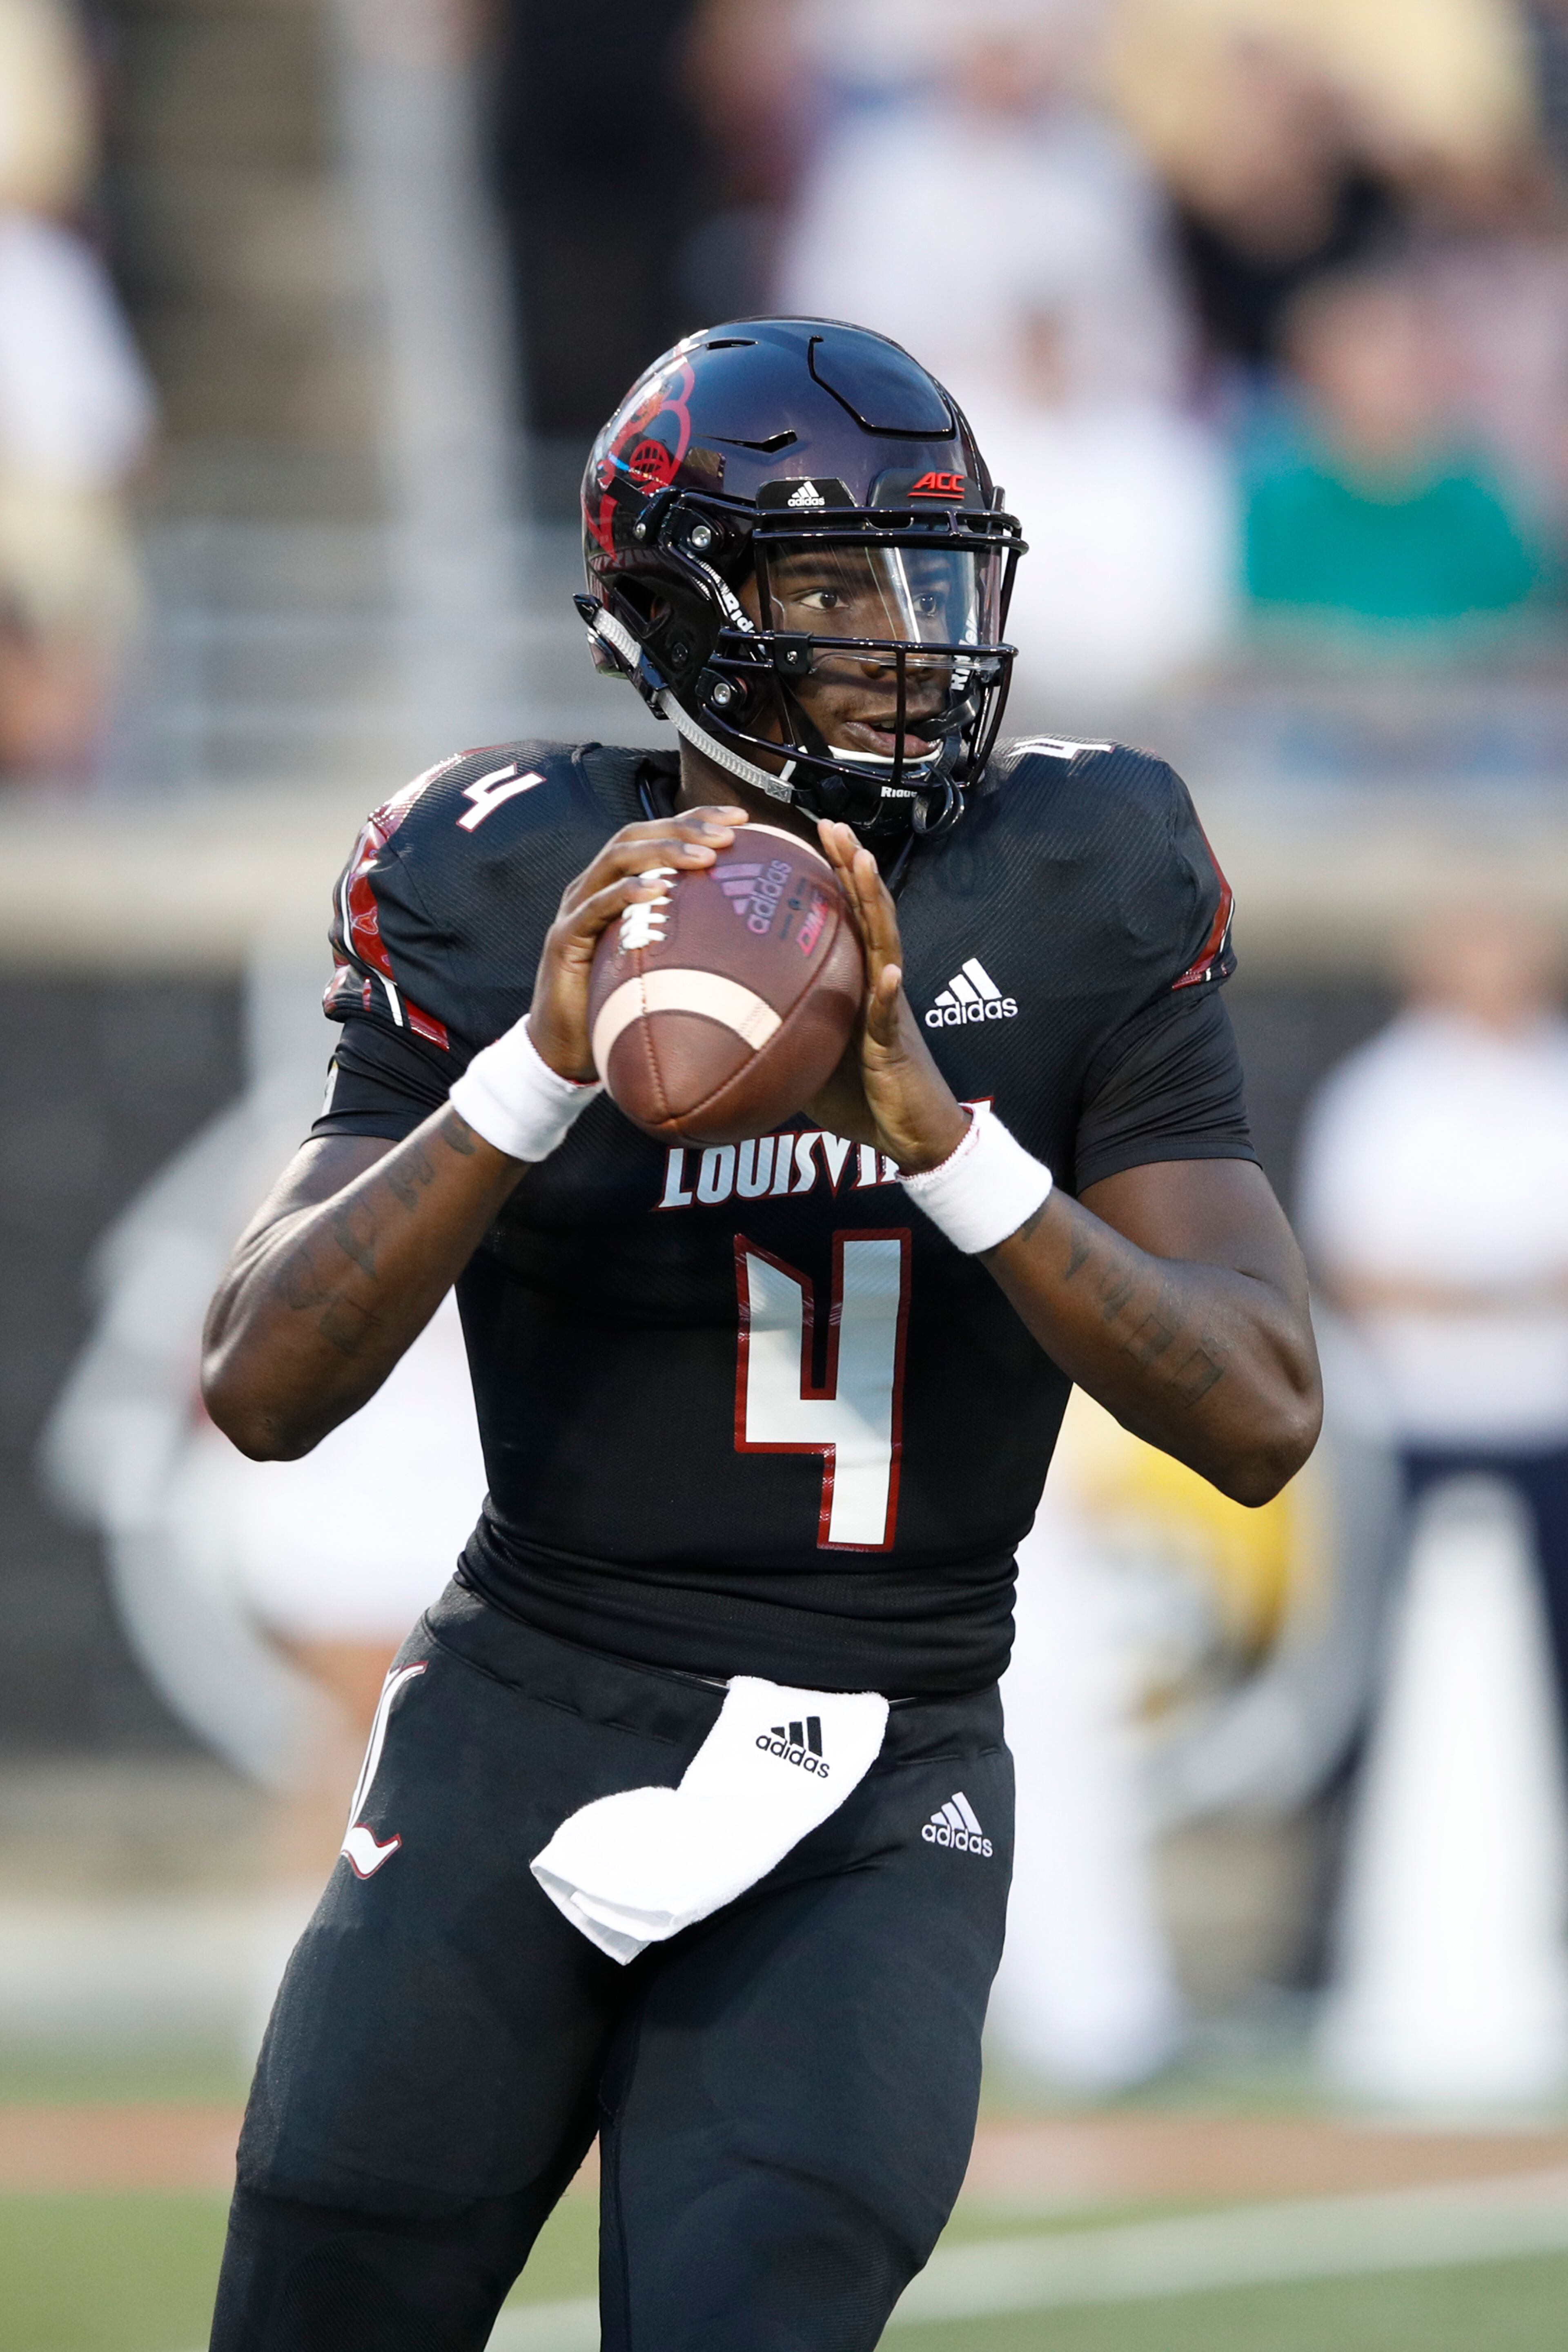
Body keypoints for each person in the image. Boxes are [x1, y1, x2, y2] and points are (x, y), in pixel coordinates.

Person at [200, 318, 1320, 2351]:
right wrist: (531, 1075)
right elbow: (262, 1382)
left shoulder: (1082, 864)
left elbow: (1255, 1409)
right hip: (523, 1715)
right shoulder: (498, 869)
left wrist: (944, 1142)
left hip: (879, 1759)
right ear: (667, 618)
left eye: (935, 568)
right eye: (830, 584)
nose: (909, 634)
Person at [1298, 912, 1568, 1722]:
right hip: (1407, 1423)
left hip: (1550, 1417)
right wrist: (1510, 1291)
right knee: (1372, 1657)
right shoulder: (1380, 1093)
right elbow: (1354, 1265)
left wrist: (1457, 1288)